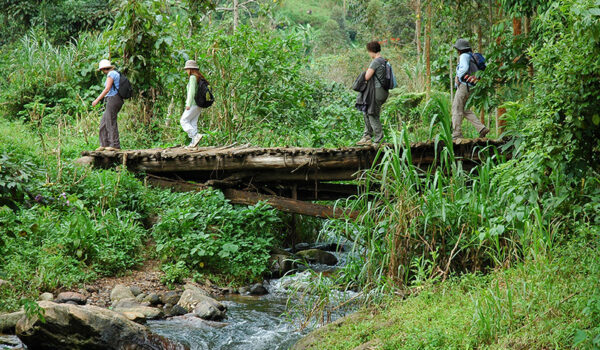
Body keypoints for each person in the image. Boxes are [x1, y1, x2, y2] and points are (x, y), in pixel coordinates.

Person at [452, 38, 489, 140]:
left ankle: (456, 134)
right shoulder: (472, 56)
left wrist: (458, 77)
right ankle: (481, 129)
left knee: (456, 108)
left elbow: (464, 68)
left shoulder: (464, 56)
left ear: (459, 49)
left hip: (464, 86)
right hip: (471, 87)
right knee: (464, 110)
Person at [356, 41, 389, 147]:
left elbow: (367, 76)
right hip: (383, 91)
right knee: (367, 111)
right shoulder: (384, 61)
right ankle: (367, 136)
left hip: (377, 91)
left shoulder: (376, 61)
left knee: (372, 114)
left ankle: (379, 139)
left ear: (371, 51)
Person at [92, 59, 124, 152]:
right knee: (104, 121)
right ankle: (104, 144)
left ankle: (115, 145)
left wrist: (97, 100)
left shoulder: (111, 74)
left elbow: (107, 89)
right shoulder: (114, 73)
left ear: (103, 69)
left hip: (114, 99)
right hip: (113, 99)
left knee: (110, 121)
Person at [180, 60, 206, 149]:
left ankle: (195, 136)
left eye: (187, 69)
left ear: (190, 69)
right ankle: (193, 144)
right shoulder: (199, 77)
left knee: (183, 121)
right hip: (199, 104)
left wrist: (188, 103)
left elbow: (191, 91)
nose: (186, 71)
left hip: (193, 104)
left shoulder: (192, 77)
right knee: (193, 122)